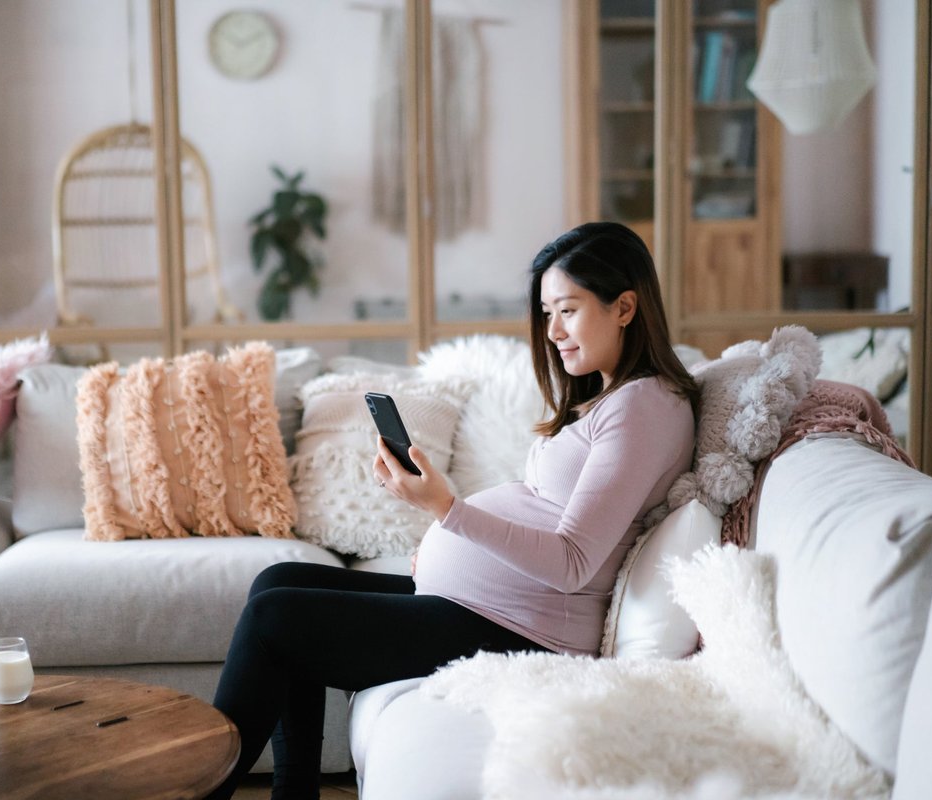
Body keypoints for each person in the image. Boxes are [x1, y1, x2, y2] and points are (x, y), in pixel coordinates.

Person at [207, 221, 697, 799]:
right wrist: (447, 543)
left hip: (526, 629)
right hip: (491, 606)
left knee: (275, 622)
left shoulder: (644, 407)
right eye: (546, 314)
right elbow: (546, 512)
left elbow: (572, 561)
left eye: (568, 310)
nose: (553, 332)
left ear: (624, 307)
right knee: (276, 581)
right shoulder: (608, 399)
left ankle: (202, 791)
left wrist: (447, 510)